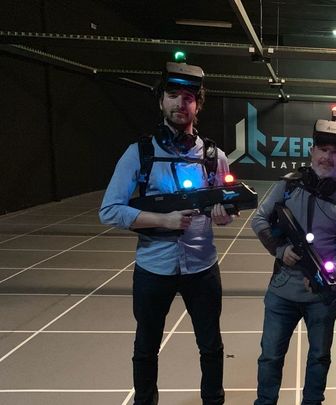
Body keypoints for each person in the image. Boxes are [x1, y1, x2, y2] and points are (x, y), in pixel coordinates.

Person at [99, 60, 231, 405]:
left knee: (211, 346)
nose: (180, 104)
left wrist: (223, 215)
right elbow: (109, 210)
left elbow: (225, 209)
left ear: (197, 105)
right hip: (153, 267)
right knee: (146, 347)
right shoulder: (139, 153)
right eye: (173, 95)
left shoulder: (214, 156)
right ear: (161, 101)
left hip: (202, 267)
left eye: (188, 98)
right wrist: (163, 220)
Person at [251, 109, 336, 405]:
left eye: (335, 152)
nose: (327, 157)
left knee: (319, 358)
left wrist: (327, 271)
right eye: (322, 149)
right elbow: (259, 220)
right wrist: (279, 250)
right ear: (312, 151)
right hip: (282, 292)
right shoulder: (288, 185)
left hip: (322, 296)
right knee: (270, 357)